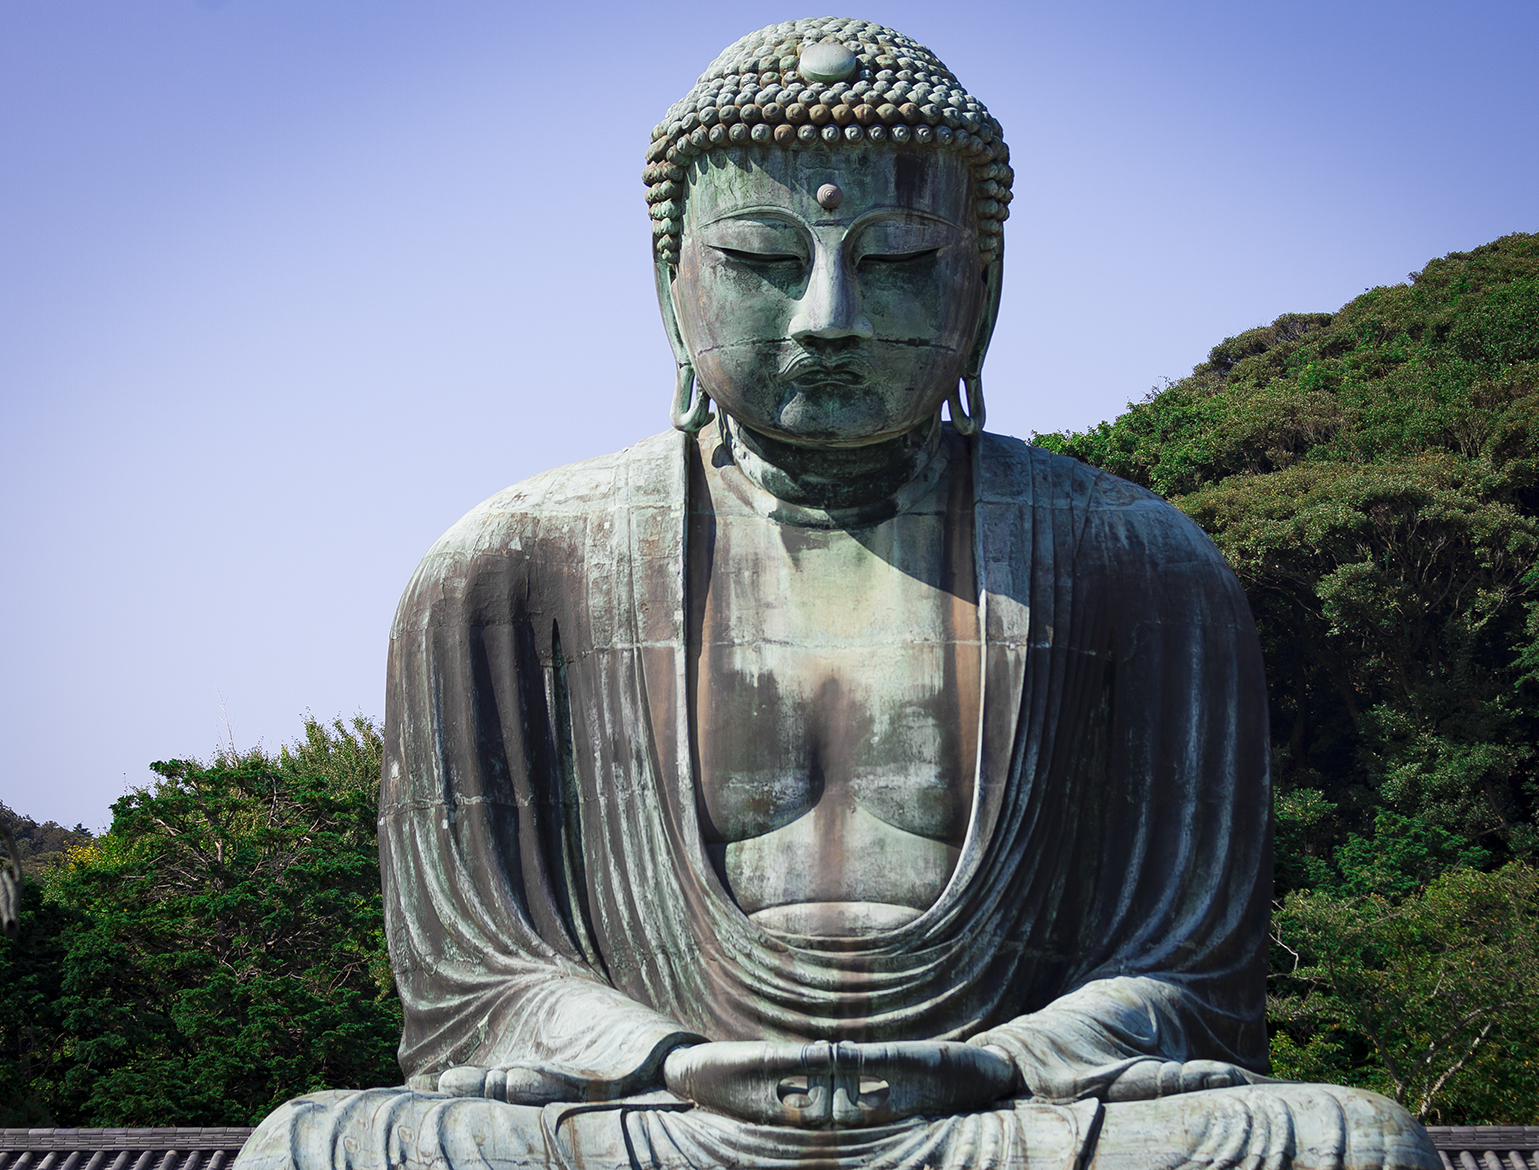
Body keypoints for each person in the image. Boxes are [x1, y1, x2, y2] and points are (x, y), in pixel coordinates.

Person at [238, 18, 1439, 1170]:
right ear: (671, 279)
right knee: (313, 1149)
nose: (829, 319)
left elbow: (1188, 980)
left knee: (1352, 1144)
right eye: (762, 261)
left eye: (900, 263)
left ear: (983, 283)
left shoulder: (1138, 563)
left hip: (1002, 1110)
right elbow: (479, 983)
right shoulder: (510, 567)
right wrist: (676, 1063)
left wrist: (990, 1063)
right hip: (661, 1114)